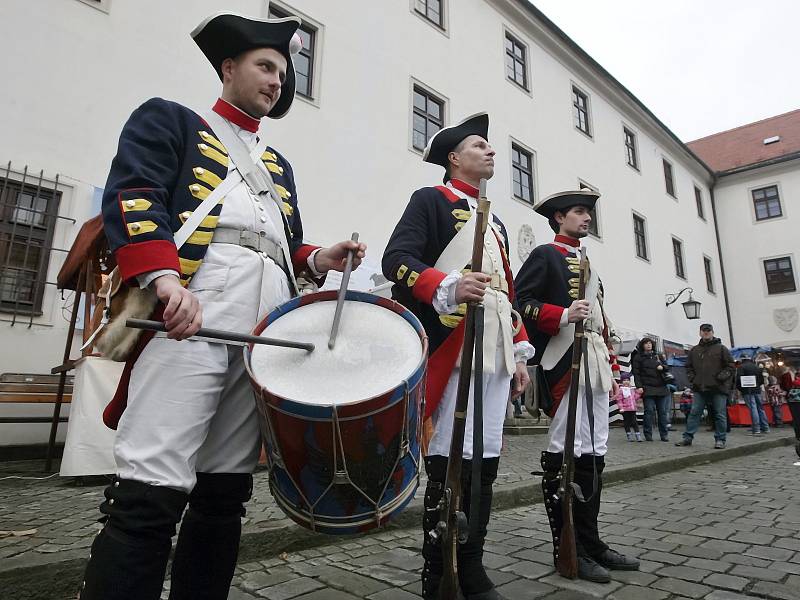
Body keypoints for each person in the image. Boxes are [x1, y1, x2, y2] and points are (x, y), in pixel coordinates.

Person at [79, 13, 366, 600]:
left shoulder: (277, 168)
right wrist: (164, 281)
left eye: (284, 73)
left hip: (261, 334)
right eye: (266, 67)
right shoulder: (175, 122)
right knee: (151, 487)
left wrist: (319, 259)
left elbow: (276, 245)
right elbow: (136, 197)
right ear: (229, 68)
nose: (277, 81)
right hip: (191, 315)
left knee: (224, 492)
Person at [382, 112, 533, 600]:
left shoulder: (499, 224)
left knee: (484, 462)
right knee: (449, 459)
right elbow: (397, 260)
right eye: (478, 145)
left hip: (493, 351)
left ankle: (471, 565)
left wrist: (520, 352)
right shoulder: (431, 200)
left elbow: (506, 292)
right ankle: (438, 572)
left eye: (490, 146)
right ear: (453, 159)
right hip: (450, 344)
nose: (490, 152)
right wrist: (445, 284)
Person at [515, 190, 639, 583]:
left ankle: (591, 541)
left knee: (595, 447)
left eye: (588, 213)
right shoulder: (545, 255)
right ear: (559, 218)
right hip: (564, 362)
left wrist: (613, 365)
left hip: (595, 364)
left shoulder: (588, 263)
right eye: (579, 212)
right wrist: (563, 314)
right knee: (566, 447)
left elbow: (601, 322)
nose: (587, 219)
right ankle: (566, 546)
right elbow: (522, 302)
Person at [676, 324, 734, 450]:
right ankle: (687, 437)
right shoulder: (694, 350)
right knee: (694, 413)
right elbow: (688, 366)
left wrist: (721, 377)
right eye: (704, 331)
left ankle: (720, 439)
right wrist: (693, 378)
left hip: (718, 388)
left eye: (708, 331)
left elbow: (730, 366)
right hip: (699, 387)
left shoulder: (721, 348)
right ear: (700, 333)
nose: (706, 333)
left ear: (713, 332)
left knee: (720, 414)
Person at [631, 337, 671, 442]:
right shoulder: (638, 357)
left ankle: (664, 434)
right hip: (647, 387)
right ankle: (648, 434)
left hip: (661, 387)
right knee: (649, 411)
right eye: (646, 343)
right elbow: (636, 373)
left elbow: (667, 367)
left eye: (650, 343)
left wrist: (663, 367)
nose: (648, 345)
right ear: (642, 345)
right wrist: (639, 386)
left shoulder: (658, 356)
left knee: (662, 412)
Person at [736, 356, 769, 435]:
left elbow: (738, 380)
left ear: (742, 359)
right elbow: (761, 380)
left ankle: (756, 429)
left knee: (753, 408)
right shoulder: (756, 367)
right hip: (757, 389)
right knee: (760, 408)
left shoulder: (741, 367)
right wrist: (757, 385)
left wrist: (741, 389)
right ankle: (765, 427)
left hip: (747, 390)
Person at [614, 375, 642, 441]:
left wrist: (639, 394)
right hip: (625, 409)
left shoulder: (631, 389)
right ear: (622, 381)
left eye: (627, 380)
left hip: (632, 409)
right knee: (627, 422)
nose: (626, 382)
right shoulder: (620, 390)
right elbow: (619, 400)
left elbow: (635, 398)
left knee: (634, 422)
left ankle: (638, 435)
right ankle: (629, 435)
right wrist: (621, 407)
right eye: (624, 380)